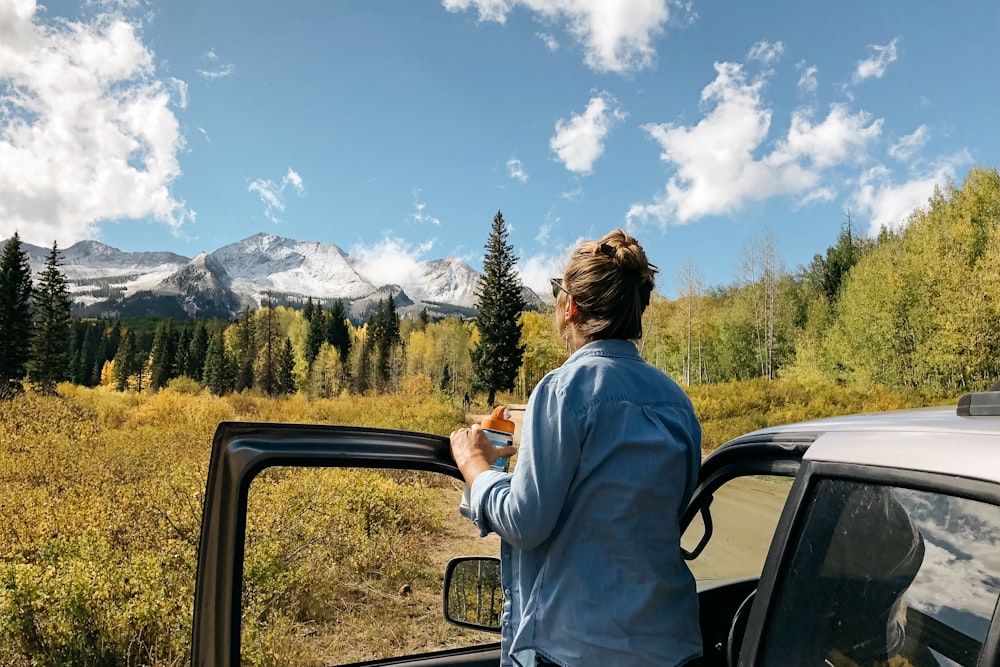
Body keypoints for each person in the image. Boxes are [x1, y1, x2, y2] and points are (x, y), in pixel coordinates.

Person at [450, 229, 703, 667]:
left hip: (582, 649)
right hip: (673, 645)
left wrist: (475, 464)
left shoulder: (563, 390)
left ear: (570, 306)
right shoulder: (677, 402)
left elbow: (526, 522)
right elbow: (663, 515)